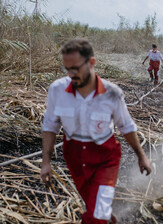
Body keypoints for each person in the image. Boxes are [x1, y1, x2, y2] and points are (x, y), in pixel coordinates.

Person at [40, 38, 152, 224]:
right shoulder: (57, 90)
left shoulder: (112, 93)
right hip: (74, 156)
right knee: (95, 206)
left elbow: (126, 126)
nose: (71, 74)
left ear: (91, 62)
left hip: (105, 158)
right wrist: (46, 162)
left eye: (75, 68)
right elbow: (50, 126)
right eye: (67, 69)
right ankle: (106, 217)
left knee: (96, 215)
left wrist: (141, 156)